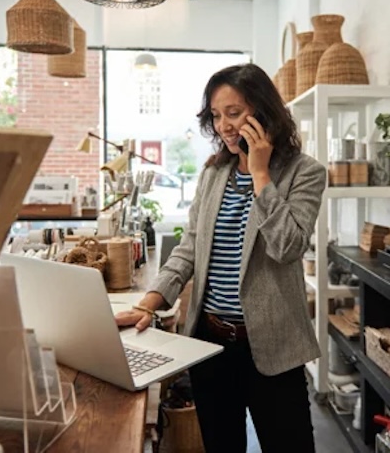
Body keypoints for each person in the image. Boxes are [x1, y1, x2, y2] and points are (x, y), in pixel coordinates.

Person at [116, 63, 327, 453]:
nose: (224, 125)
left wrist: (261, 176)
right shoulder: (214, 174)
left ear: (264, 112)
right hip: (211, 345)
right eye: (216, 115)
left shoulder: (305, 173)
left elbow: (288, 246)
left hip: (274, 348)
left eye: (234, 112)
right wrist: (151, 301)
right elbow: (189, 249)